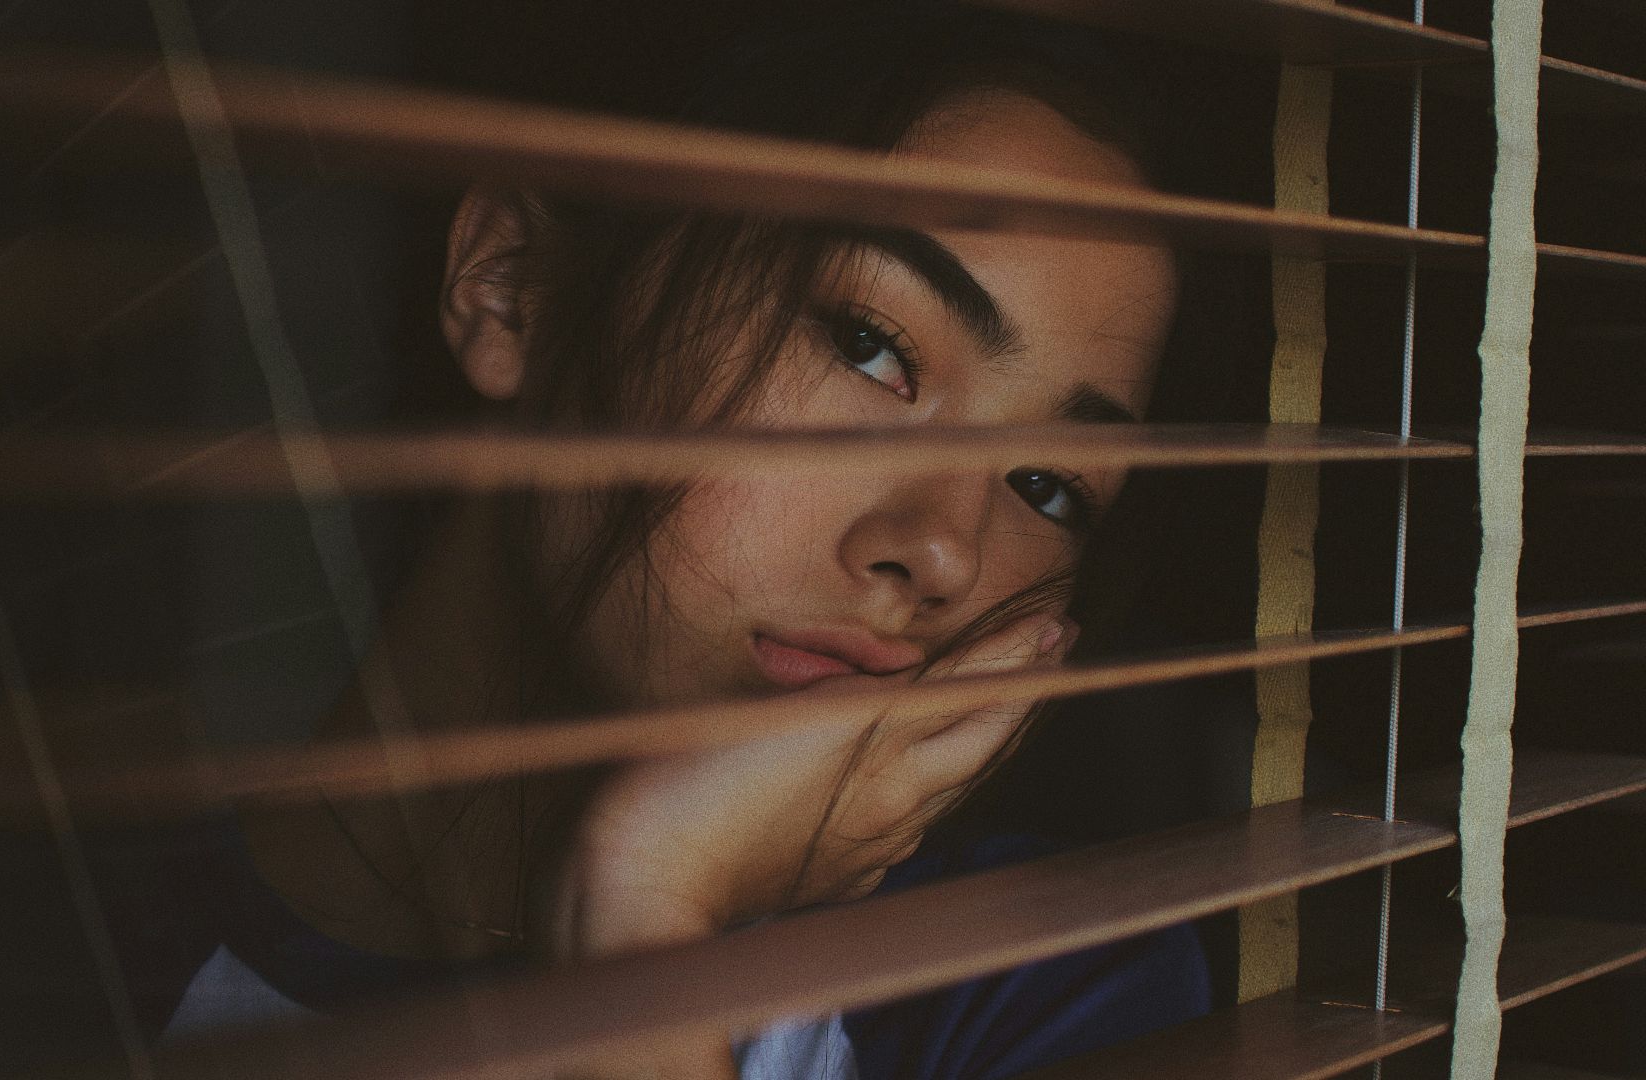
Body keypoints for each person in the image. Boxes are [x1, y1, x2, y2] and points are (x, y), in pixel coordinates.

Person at [165, 6, 1211, 1076]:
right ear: (513, 288)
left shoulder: (1038, 995)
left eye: (1048, 486)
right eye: (871, 346)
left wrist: (646, 908)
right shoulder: (62, 929)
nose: (945, 553)